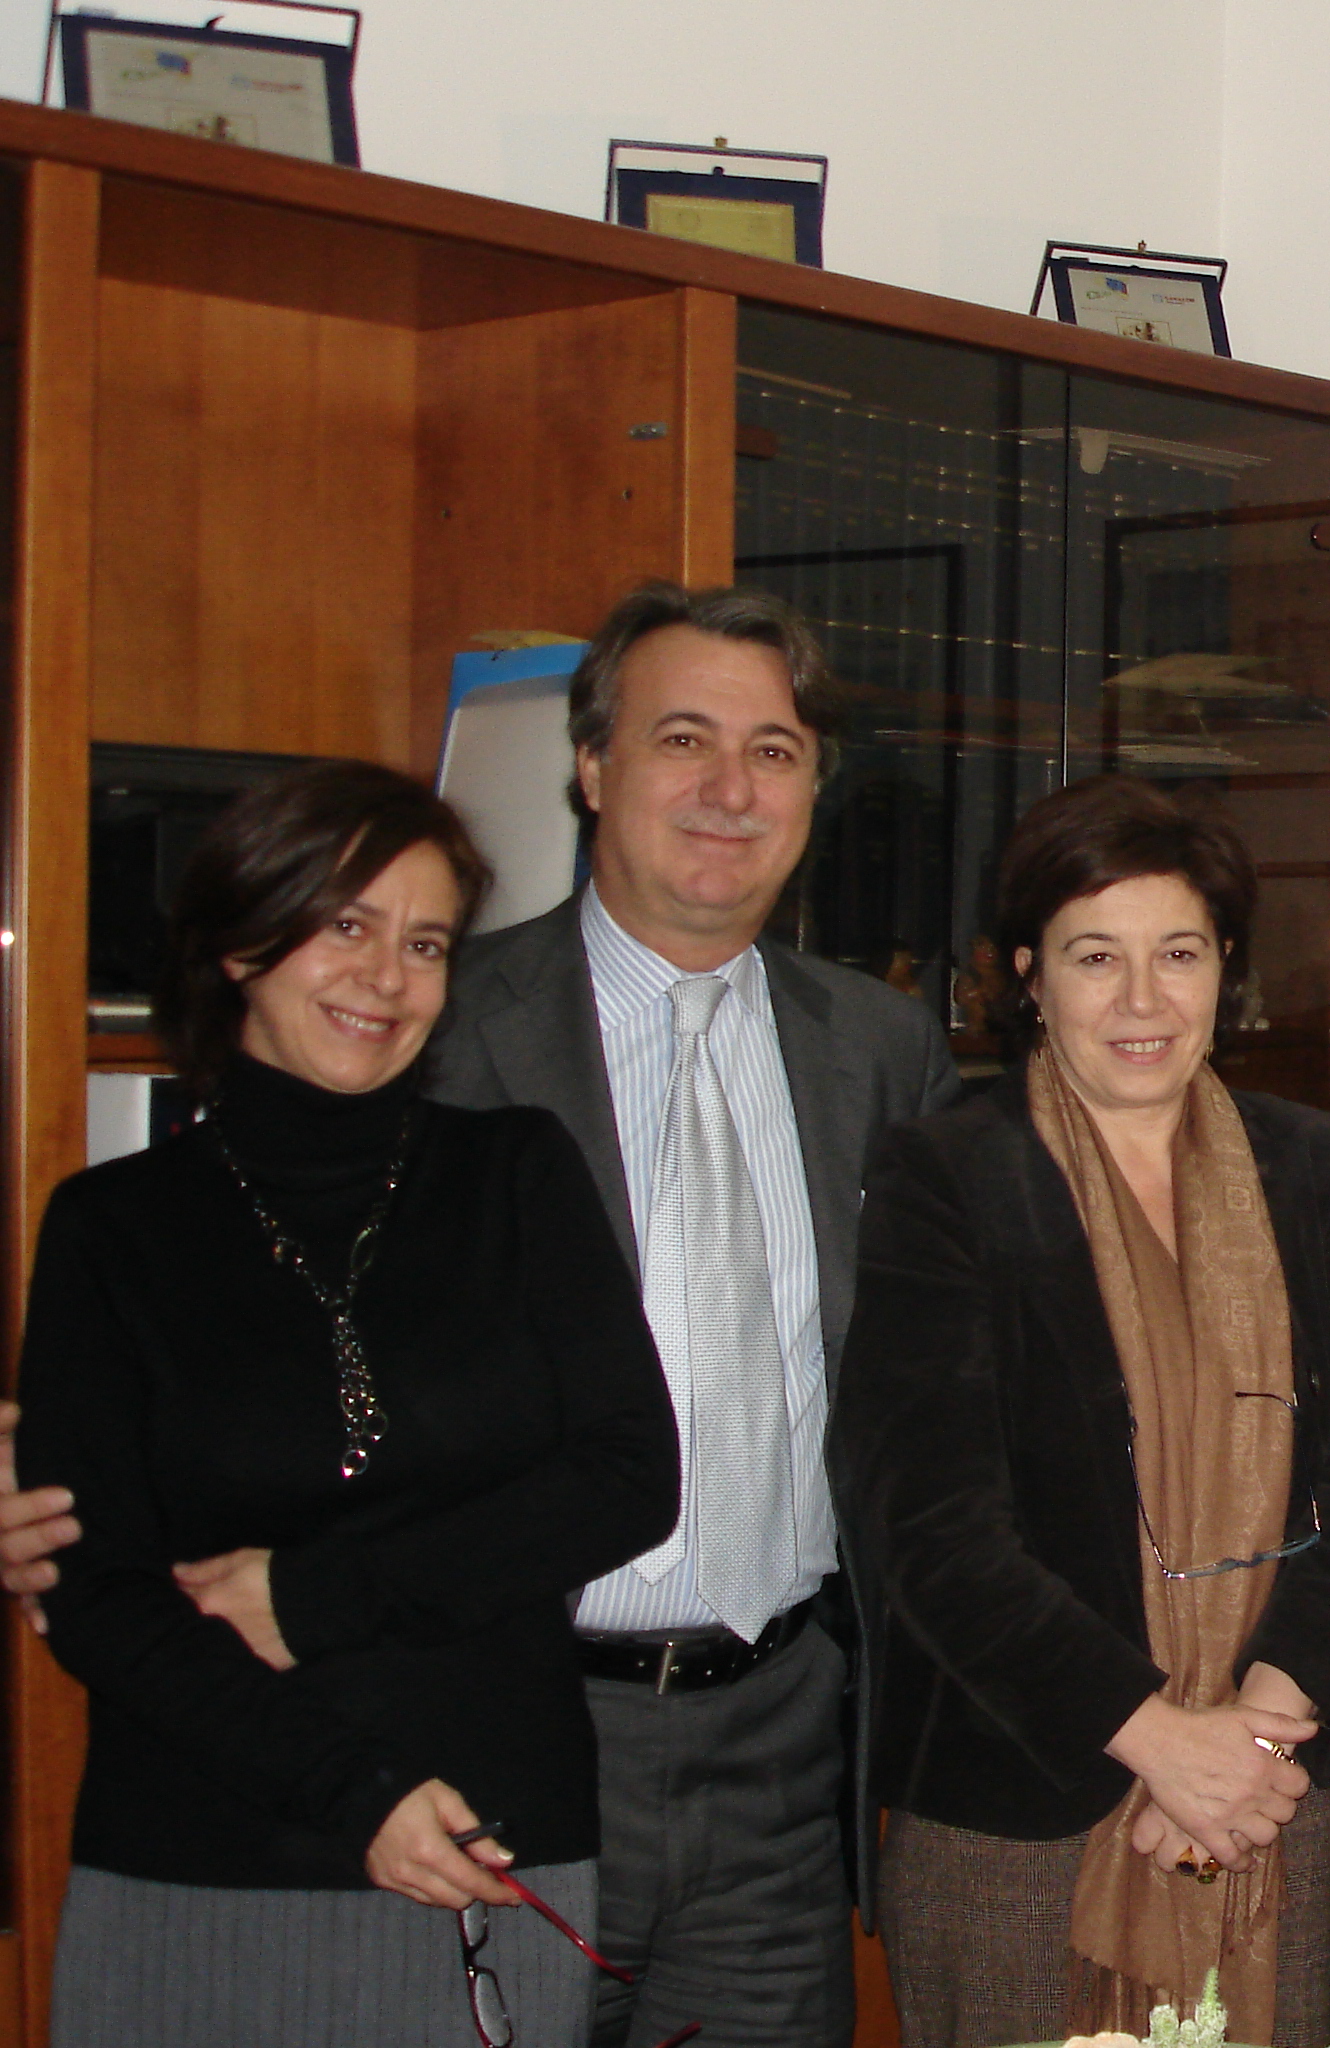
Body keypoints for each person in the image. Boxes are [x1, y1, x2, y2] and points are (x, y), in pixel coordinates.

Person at [0, 583, 966, 2046]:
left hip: (782, 1736)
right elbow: (237, 1349)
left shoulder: (885, 1048)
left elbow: (951, 1375)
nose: (728, 789)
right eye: (682, 738)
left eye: (772, 751)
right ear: (589, 768)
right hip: (499, 1716)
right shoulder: (437, 1037)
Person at [14, 761, 681, 2047]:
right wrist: (352, 1792)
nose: (387, 975)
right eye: (347, 925)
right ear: (239, 944)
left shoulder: (517, 1173)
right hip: (204, 1854)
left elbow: (626, 1474)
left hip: (493, 1832)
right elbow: (96, 1589)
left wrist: (312, 1594)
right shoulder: (113, 1227)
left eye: (425, 941)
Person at [829, 775, 1330, 2048]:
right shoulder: (946, 1174)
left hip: (1272, 1794)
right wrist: (1156, 1737)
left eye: (1180, 954)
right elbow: (926, 1520)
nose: (1144, 1000)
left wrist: (1255, 1734)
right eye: (1098, 956)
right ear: (1028, 976)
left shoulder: (1312, 1163)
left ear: (1227, 972)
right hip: (1023, 1805)